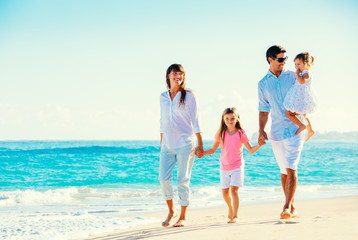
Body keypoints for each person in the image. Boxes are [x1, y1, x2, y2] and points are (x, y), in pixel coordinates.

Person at [258, 45, 306, 220]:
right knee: (284, 171)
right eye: (280, 59)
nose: (284, 62)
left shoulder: (292, 77)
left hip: (295, 128)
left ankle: (285, 207)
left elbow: (304, 91)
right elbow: (263, 110)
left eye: (285, 59)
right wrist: (261, 130)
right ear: (270, 60)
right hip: (277, 131)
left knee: (292, 166)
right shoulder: (263, 84)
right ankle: (292, 206)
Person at [159, 63, 204, 227]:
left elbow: (196, 120)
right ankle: (171, 211)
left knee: (182, 180)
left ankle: (183, 216)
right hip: (167, 145)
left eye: (181, 74)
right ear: (168, 76)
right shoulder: (163, 97)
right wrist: (161, 143)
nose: (178, 77)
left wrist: (200, 144)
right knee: (163, 179)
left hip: (185, 143)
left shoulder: (190, 95)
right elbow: (162, 121)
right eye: (175, 74)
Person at [200, 107, 263, 223]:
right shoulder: (221, 133)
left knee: (234, 190)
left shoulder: (241, 133)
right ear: (223, 119)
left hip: (237, 166)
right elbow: (213, 149)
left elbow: (251, 149)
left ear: (237, 119)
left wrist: (259, 144)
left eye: (232, 118)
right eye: (227, 118)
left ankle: (235, 216)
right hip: (224, 167)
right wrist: (202, 153)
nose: (230, 121)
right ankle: (230, 207)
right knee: (225, 193)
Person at [283, 52, 317, 141]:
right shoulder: (304, 72)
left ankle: (301, 125)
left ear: (306, 64)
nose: (296, 66)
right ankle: (310, 130)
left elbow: (302, 81)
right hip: (303, 97)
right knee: (304, 115)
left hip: (301, 98)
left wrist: (297, 74)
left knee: (289, 113)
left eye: (298, 64)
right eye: (295, 64)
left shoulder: (306, 72)